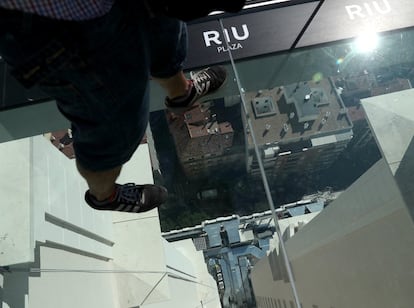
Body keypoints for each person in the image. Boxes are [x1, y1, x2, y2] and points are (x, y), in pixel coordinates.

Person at [0, 1, 232, 213]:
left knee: (164, 32)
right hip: (61, 28)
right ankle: (104, 196)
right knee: (113, 131)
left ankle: (182, 93)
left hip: (79, 14)